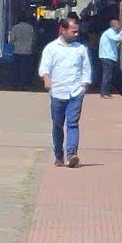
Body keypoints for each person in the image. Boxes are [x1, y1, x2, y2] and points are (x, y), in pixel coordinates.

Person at [37, 18, 93, 168]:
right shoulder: (51, 48)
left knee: (73, 123)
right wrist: (46, 79)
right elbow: (44, 68)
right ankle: (58, 155)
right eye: (73, 31)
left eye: (77, 32)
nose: (76, 34)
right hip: (57, 93)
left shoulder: (80, 49)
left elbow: (86, 69)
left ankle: (71, 155)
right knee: (57, 125)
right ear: (63, 29)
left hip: (75, 92)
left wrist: (84, 86)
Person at [98, 19, 122, 98]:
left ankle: (105, 92)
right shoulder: (110, 32)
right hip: (107, 56)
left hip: (107, 56)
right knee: (107, 75)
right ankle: (104, 93)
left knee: (108, 75)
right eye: (118, 25)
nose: (119, 26)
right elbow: (117, 38)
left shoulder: (110, 32)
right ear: (114, 25)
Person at [7, 17, 35, 89]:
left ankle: (16, 82)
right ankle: (24, 83)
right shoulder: (30, 28)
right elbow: (33, 39)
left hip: (17, 50)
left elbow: (12, 39)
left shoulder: (15, 28)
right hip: (27, 51)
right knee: (25, 68)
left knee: (16, 68)